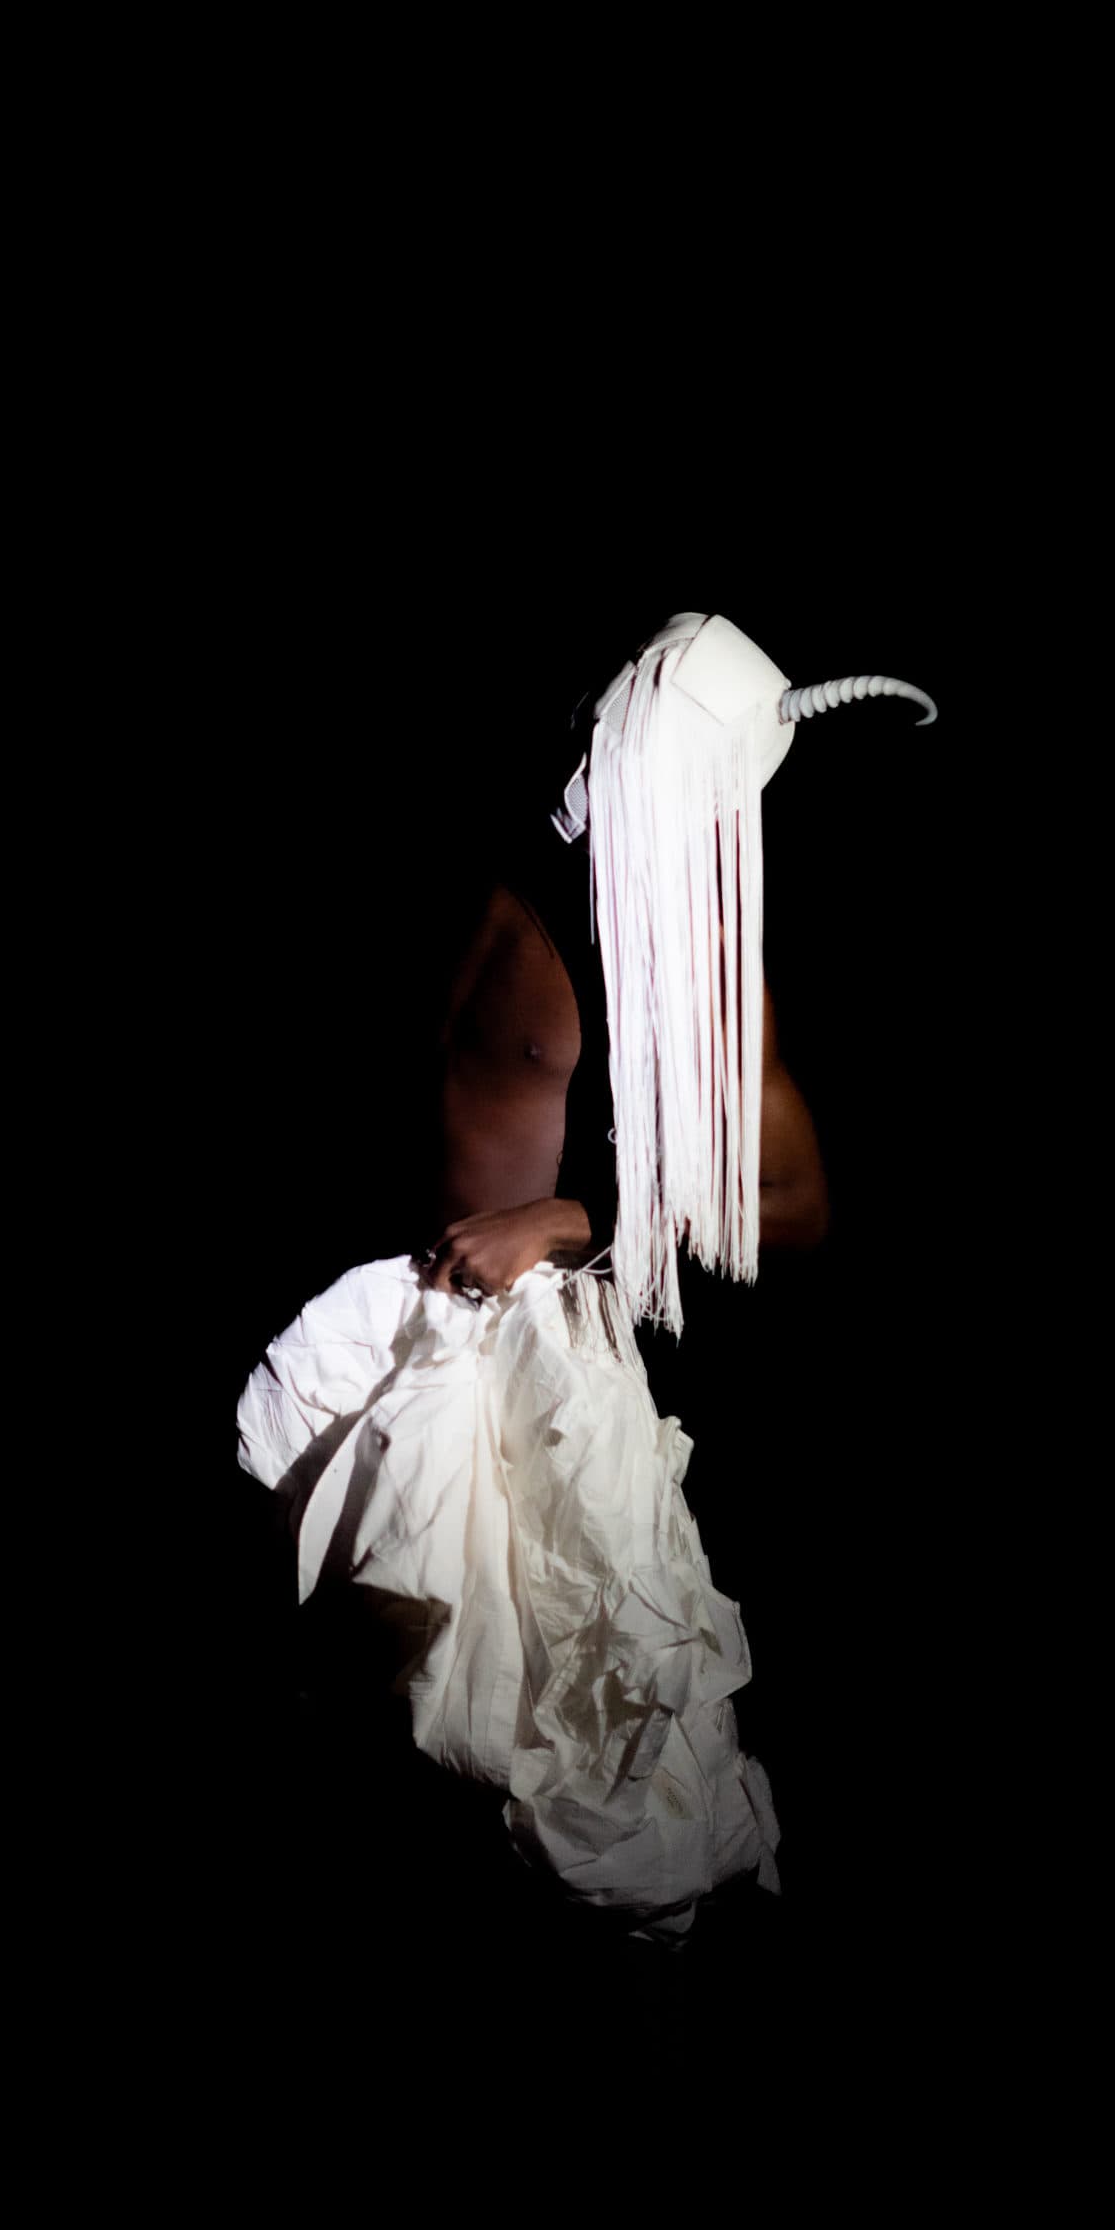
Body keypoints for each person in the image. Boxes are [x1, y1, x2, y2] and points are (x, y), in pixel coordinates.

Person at [236, 615, 932, 1943]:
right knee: (366, 1747)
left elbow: (798, 1208)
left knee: (580, 1791)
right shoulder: (501, 864)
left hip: (532, 1390)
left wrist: (566, 1218)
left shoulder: (687, 959)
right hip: (390, 1340)